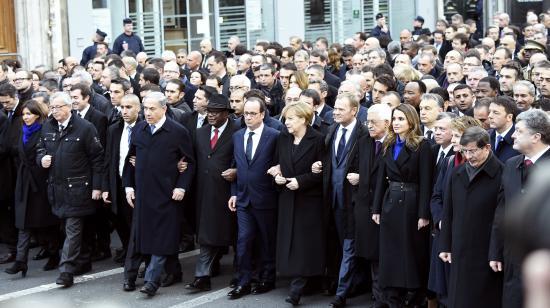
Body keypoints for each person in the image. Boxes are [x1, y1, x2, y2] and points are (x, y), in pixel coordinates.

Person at [122, 92, 195, 297]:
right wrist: (129, 187)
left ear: (164, 109)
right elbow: (130, 160)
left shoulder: (177, 131)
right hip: (144, 196)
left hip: (168, 196)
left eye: (152, 109)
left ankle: (151, 281)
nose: (148, 113)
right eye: (145, 109)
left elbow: (190, 163)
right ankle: (174, 271)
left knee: (163, 238)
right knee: (147, 238)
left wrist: (181, 187)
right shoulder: (140, 129)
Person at [36, 92, 104, 287]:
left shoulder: (85, 128)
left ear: (69, 107)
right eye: (52, 107)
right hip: (56, 190)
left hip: (78, 189)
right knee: (66, 229)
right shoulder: (48, 126)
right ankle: (82, 261)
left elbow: (97, 159)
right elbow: (40, 149)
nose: (54, 111)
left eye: (58, 107)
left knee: (73, 229)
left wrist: (97, 186)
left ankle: (66, 271)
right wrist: (42, 159)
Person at [372, 103, 434, 307]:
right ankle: (391, 295)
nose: (396, 123)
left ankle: (414, 293)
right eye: (394, 119)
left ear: (411, 121)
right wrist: (376, 208)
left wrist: (423, 213)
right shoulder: (388, 144)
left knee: (410, 250)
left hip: (412, 202)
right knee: (390, 250)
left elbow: (426, 181)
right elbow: (381, 178)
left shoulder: (422, 145)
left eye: (401, 119)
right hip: (390, 201)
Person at [489, 110, 550, 308]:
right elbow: (502, 210)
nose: (513, 135)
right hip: (512, 258)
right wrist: (495, 251)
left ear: (536, 137)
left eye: (519, 131)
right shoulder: (511, 164)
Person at [439, 126, 504, 308]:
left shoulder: (501, 174)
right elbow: (448, 210)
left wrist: (495, 253)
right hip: (459, 249)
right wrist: (445, 244)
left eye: (473, 151)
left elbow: (501, 219)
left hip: (485, 252)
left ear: (487, 148)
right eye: (465, 151)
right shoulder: (457, 172)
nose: (468, 156)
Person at [267, 101, 325, 305]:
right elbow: (278, 163)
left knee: (304, 245)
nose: (286, 122)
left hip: (308, 200)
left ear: (303, 119)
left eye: (291, 118)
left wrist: (300, 181)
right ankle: (298, 282)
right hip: (287, 197)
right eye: (285, 118)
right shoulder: (283, 138)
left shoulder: (317, 139)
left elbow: (322, 172)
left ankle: (297, 290)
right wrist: (277, 174)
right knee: (289, 241)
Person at [312, 93, 366, 307]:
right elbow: (329, 160)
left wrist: (362, 177)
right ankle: (338, 281)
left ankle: (342, 292)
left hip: (352, 200)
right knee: (336, 243)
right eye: (335, 108)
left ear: (354, 110)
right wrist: (320, 165)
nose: (335, 112)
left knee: (350, 245)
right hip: (332, 200)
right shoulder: (331, 130)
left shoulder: (363, 133)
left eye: (341, 109)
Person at [185, 94, 239, 292]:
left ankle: (240, 274)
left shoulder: (238, 132)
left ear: (226, 113)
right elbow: (192, 159)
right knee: (207, 236)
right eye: (209, 111)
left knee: (235, 236)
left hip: (229, 194)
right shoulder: (199, 133)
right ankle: (202, 277)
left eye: (216, 112)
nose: (211, 116)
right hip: (204, 194)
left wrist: (237, 172)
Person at [227, 96, 279, 300]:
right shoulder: (238, 136)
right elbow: (235, 168)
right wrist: (233, 193)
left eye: (252, 114)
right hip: (243, 199)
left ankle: (267, 278)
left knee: (267, 241)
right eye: (245, 113)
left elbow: (279, 163)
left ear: (262, 114)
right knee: (243, 240)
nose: (247, 117)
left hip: (266, 198)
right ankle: (244, 281)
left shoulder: (274, 136)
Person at [428, 116, 482, 307]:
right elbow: (436, 196)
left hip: (466, 239)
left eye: (458, 135)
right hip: (444, 234)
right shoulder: (450, 162)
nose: (452, 139)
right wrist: (441, 219)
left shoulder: (479, 166)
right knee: (443, 291)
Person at [4, 100, 60, 277]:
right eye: (24, 114)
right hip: (24, 182)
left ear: (37, 114)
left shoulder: (45, 130)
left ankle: (53, 254)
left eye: (29, 114)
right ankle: (21, 262)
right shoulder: (22, 131)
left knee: (45, 224)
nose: (26, 117)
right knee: (23, 224)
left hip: (40, 182)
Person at [351, 103, 392, 307]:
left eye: (373, 122)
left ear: (387, 123)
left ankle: (383, 298)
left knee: (384, 256)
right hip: (364, 207)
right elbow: (354, 165)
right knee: (372, 257)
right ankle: (377, 297)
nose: (369, 126)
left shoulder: (394, 143)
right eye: (368, 122)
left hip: (387, 208)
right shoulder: (364, 141)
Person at [102, 94, 142, 274]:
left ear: (138, 108)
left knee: (137, 223)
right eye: (122, 108)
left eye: (129, 107)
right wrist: (105, 187)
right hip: (117, 182)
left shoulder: (144, 128)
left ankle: (138, 257)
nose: (124, 111)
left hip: (138, 185)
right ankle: (129, 251)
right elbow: (108, 159)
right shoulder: (114, 129)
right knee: (120, 220)